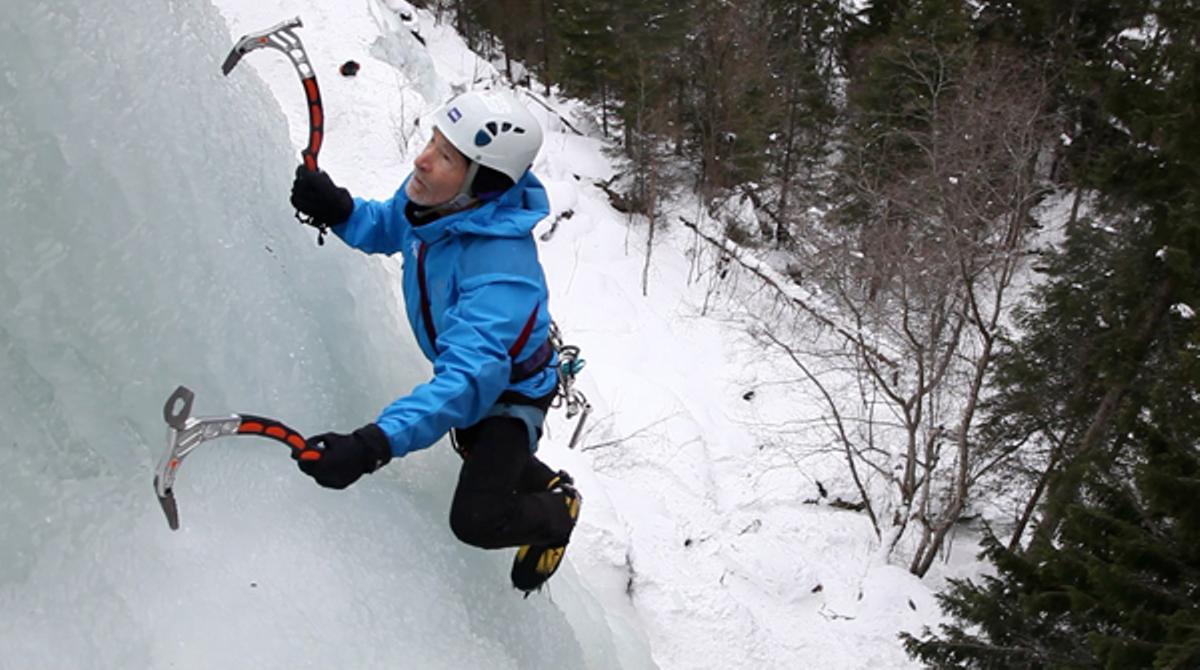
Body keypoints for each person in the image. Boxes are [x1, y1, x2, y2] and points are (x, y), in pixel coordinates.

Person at [288, 88, 580, 594]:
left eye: (445, 156)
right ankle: (537, 478)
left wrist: (371, 446)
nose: (421, 160)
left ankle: (557, 513)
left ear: (484, 183)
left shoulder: (502, 278)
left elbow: (464, 385)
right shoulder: (438, 202)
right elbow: (388, 225)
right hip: (478, 369)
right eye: (432, 141)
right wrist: (339, 210)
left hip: (512, 391)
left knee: (476, 517)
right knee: (472, 440)